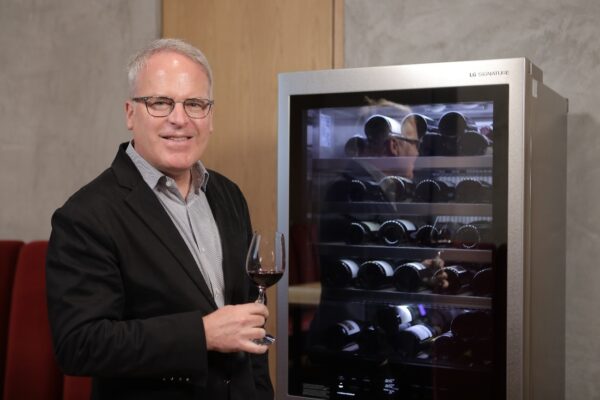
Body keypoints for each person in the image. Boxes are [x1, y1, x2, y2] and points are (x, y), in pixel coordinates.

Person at [45, 38, 274, 400]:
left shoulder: (229, 195)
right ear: (130, 113)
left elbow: (249, 321)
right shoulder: (85, 215)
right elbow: (80, 344)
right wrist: (201, 334)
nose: (179, 119)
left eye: (195, 104)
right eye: (160, 102)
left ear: (210, 117)